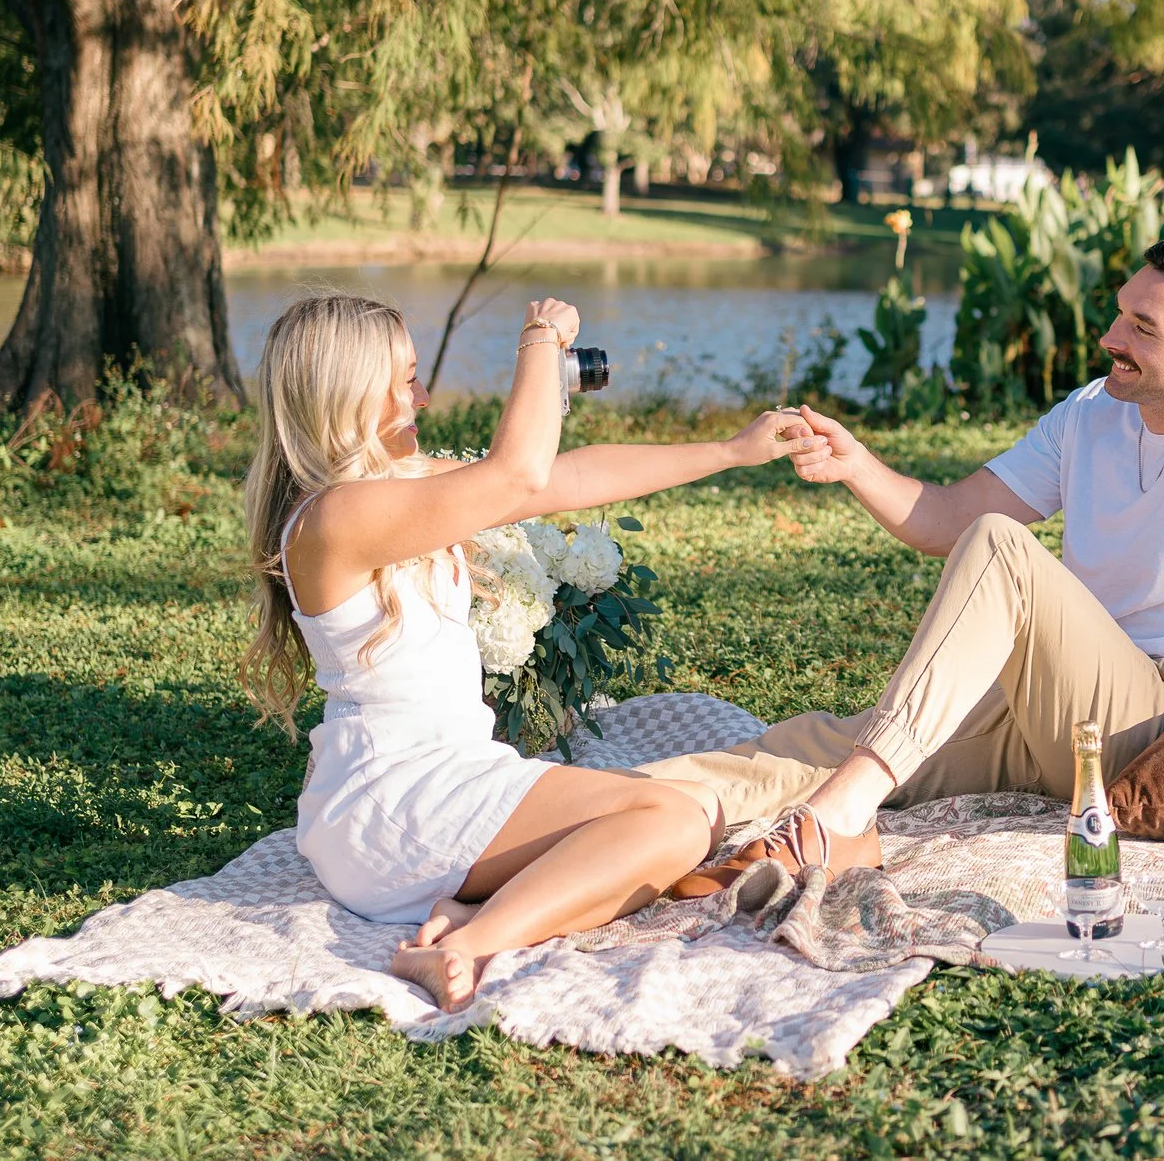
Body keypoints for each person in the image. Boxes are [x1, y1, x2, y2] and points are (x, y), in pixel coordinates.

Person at [650, 235, 1164, 892]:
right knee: (807, 745)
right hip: (1065, 717)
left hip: (1163, 727)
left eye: (1143, 330)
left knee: (1004, 555)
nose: (1111, 337)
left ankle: (836, 819)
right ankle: (570, 800)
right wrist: (857, 463)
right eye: (1121, 313)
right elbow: (947, 517)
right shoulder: (1090, 412)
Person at [240, 291, 825, 1009]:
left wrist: (732, 451)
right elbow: (518, 469)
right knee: (677, 818)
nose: (422, 394)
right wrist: (540, 338)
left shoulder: (392, 489)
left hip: (433, 789)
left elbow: (565, 478)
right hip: (393, 805)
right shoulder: (334, 517)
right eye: (403, 379)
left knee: (690, 809)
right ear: (346, 395)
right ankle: (466, 945)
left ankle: (474, 914)